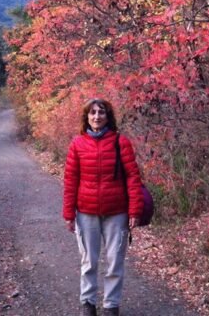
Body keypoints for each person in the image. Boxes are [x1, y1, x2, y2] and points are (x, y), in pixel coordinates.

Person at [63, 98, 144, 316]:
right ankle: (87, 303)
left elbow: (133, 178)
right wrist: (69, 214)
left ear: (108, 117)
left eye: (101, 113)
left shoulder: (120, 143)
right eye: (92, 113)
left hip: (117, 212)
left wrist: (135, 211)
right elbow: (71, 180)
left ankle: (111, 306)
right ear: (86, 117)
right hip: (86, 212)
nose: (96, 116)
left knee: (114, 261)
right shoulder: (77, 144)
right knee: (89, 261)